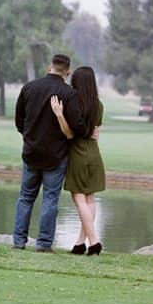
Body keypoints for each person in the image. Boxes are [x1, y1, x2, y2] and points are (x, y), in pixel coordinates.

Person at [12, 54, 88, 252]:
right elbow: (78, 127)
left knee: (26, 197)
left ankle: (19, 241)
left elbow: (19, 121)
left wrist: (29, 137)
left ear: (49, 67)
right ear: (67, 72)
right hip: (56, 155)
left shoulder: (29, 88)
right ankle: (44, 244)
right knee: (50, 199)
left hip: (31, 152)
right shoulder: (69, 94)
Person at [50, 66, 105, 256]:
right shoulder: (98, 105)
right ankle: (81, 243)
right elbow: (97, 129)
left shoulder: (74, 103)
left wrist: (59, 114)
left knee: (78, 198)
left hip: (78, 154)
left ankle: (95, 240)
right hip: (95, 154)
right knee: (89, 198)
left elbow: (71, 133)